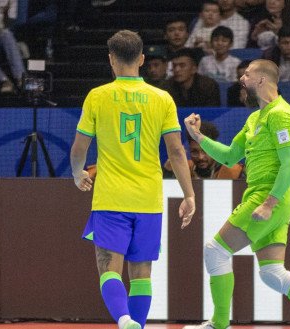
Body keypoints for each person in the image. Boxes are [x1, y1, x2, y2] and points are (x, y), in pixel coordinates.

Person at [182, 59, 290, 329]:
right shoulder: (254, 118)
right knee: (272, 273)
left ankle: (219, 324)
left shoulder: (280, 114)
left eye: (247, 75)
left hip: (268, 197)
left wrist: (269, 203)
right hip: (270, 199)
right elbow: (228, 157)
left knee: (215, 251)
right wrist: (198, 136)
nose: (241, 79)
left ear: (262, 80)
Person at [70, 30, 196, 329]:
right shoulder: (162, 98)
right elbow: (177, 151)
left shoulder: (98, 96)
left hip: (111, 197)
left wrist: (77, 173)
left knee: (108, 269)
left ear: (111, 59)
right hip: (148, 199)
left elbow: (79, 147)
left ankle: (124, 318)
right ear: (141, 59)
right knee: (141, 275)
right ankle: (135, 323)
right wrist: (189, 194)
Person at [163, 121, 245, 179]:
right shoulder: (183, 169)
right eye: (194, 152)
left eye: (205, 151)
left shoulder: (235, 172)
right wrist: (168, 171)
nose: (200, 157)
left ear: (214, 148)